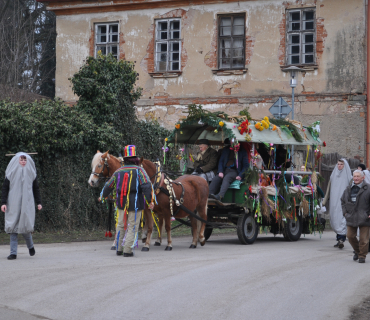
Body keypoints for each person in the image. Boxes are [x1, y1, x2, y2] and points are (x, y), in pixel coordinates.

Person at [101, 145, 154, 257]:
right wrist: (150, 201)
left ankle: (119, 249)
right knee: (132, 226)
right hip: (135, 204)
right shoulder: (140, 171)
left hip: (120, 204)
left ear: (124, 159)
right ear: (135, 158)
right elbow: (147, 186)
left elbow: (108, 186)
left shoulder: (118, 171)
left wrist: (103, 196)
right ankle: (127, 250)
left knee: (120, 225)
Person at [1, 153, 42, 260]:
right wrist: (3, 203)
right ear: (17, 161)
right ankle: (13, 253)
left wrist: (39, 202)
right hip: (13, 203)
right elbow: (5, 188)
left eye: (25, 160)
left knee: (25, 229)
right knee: (13, 229)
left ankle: (31, 247)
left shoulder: (31, 173)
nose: (23, 161)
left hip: (26, 204)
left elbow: (35, 188)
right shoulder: (11, 173)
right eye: (21, 159)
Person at [341, 170, 370, 263]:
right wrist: (345, 213)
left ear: (363, 177)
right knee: (350, 236)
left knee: (363, 239)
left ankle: (362, 256)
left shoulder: (368, 188)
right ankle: (358, 251)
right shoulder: (348, 189)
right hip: (351, 216)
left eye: (358, 176)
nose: (356, 178)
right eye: (354, 176)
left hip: (364, 216)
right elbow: (343, 201)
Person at [322, 159, 352, 249]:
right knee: (335, 218)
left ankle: (341, 239)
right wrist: (324, 201)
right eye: (338, 164)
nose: (339, 166)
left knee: (342, 219)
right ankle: (339, 238)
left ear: (344, 166)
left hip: (344, 202)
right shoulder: (333, 176)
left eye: (341, 164)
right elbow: (328, 188)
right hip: (334, 202)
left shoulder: (349, 177)